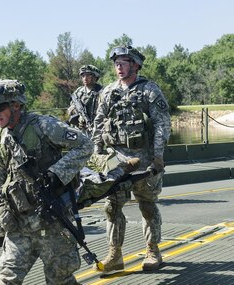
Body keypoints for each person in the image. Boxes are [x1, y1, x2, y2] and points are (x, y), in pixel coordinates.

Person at [0, 79, 93, 285]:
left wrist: (57, 173)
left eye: (0, 108)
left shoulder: (44, 126)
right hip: (19, 224)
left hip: (52, 221)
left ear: (16, 105)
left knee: (60, 279)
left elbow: (85, 145)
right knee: (7, 280)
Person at [92, 46, 171, 273]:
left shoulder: (149, 91)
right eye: (116, 62)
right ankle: (115, 254)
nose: (119, 66)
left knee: (147, 205)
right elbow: (98, 124)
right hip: (116, 159)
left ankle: (153, 250)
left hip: (145, 160)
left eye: (124, 62)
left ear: (135, 64)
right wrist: (96, 155)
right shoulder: (107, 92)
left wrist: (157, 157)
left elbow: (162, 125)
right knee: (112, 206)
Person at [67, 64, 103, 137]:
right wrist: (78, 114)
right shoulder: (78, 92)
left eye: (88, 76)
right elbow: (70, 109)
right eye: (83, 76)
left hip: (96, 129)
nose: (85, 78)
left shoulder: (102, 91)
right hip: (79, 129)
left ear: (95, 77)